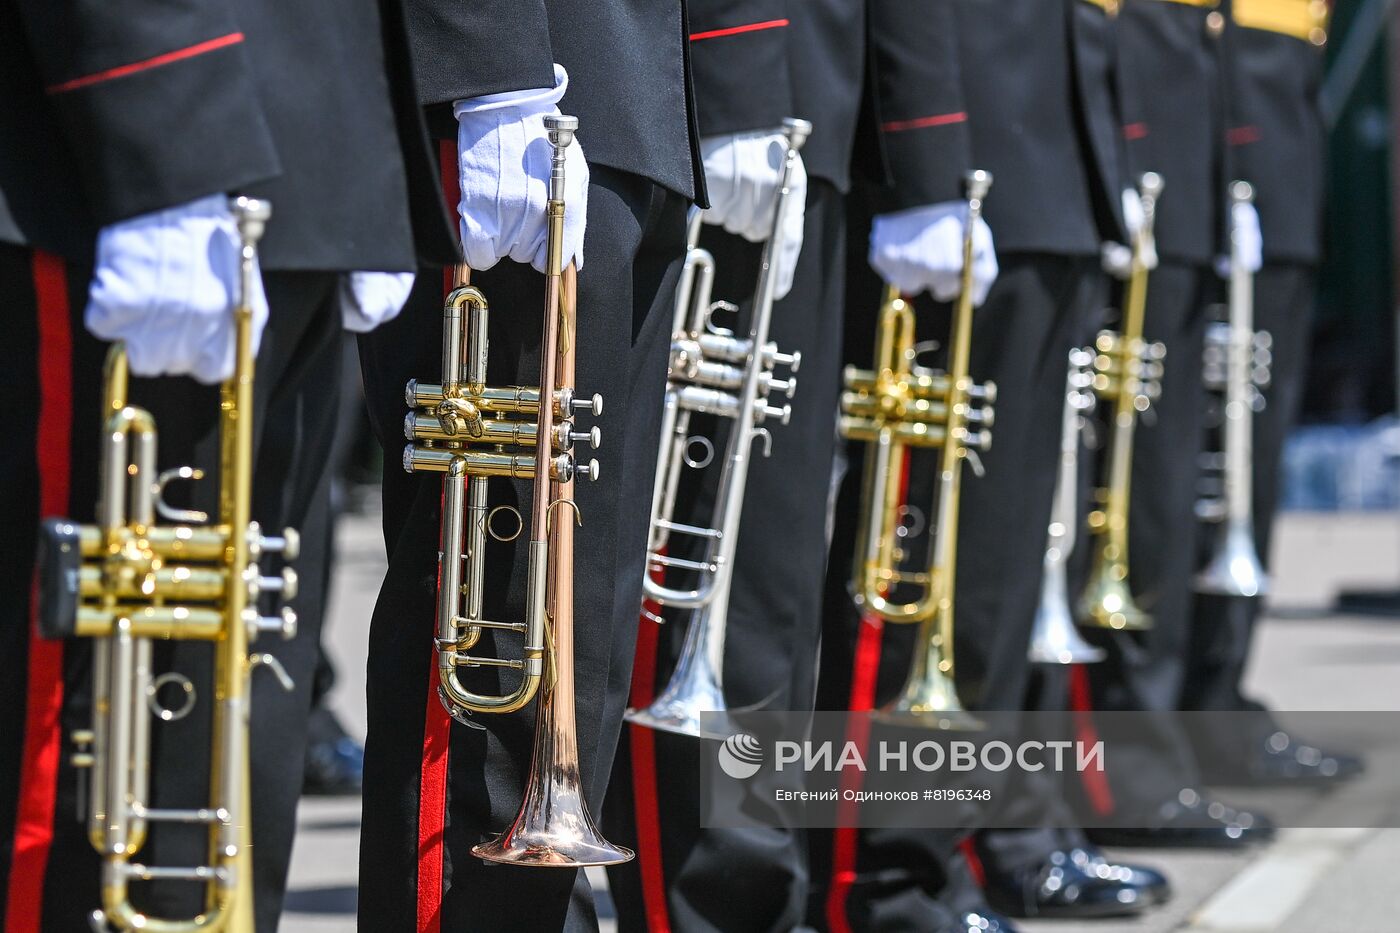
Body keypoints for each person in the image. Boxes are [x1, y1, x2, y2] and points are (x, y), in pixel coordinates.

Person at [0, 1, 453, 930]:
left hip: (308, 156)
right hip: (147, 139)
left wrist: (367, 161)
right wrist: (154, 112)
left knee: (239, 755)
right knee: (95, 768)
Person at [602, 1, 989, 928]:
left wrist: (926, 146)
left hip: (815, 97)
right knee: (711, 559)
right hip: (744, 77)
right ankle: (712, 909)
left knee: (767, 581)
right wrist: (732, 74)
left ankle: (758, 899)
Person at [811, 1, 1173, 928]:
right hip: (965, 155)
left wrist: (1110, 163)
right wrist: (927, 158)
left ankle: (962, 846)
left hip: (1045, 160)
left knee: (1000, 579)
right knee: (923, 571)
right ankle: (879, 873)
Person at [354, 2, 703, 929]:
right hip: (525, 78)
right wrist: (487, 63)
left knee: (579, 622)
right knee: (488, 617)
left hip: (631, 94)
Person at [1182, 0, 1361, 784]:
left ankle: (1217, 695)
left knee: (1254, 441)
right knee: (1219, 447)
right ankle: (1188, 704)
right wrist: (1233, 158)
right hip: (1234, 98)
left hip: (1272, 103)